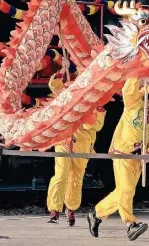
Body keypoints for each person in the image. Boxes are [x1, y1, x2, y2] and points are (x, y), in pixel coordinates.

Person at [86, 77, 149, 241]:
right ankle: (130, 224)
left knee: (124, 192)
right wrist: (137, 76)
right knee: (127, 190)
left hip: (138, 158)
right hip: (123, 153)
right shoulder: (133, 105)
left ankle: (96, 214)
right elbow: (128, 90)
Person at [45, 73, 106, 226]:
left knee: (76, 178)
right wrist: (56, 78)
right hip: (63, 141)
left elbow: (97, 125)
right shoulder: (69, 92)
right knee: (61, 174)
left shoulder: (96, 102)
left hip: (83, 144)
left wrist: (81, 117)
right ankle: (54, 209)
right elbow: (56, 88)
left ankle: (71, 208)